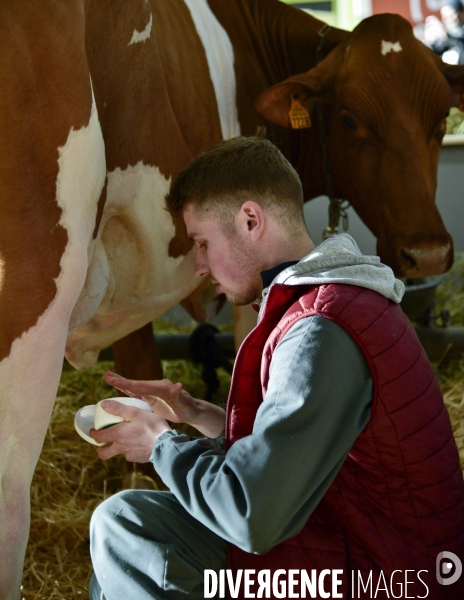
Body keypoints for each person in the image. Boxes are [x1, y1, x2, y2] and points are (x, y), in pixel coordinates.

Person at [88, 136, 464, 600]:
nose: (200, 266)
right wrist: (195, 414)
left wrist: (159, 443)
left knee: (125, 524)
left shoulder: (321, 329)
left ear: (250, 220)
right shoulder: (332, 303)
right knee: (122, 553)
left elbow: (252, 514)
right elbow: (302, 455)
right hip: (353, 546)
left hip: (385, 577)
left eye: (203, 242)